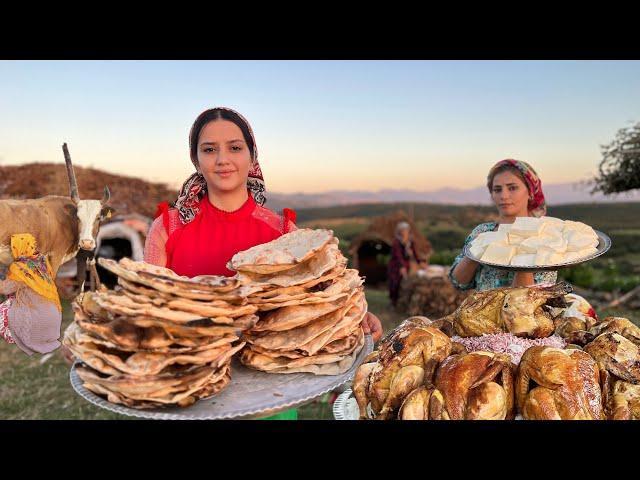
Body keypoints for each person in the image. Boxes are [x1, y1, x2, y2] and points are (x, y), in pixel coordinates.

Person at [144, 107, 383, 419]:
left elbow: (325, 294)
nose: (222, 159)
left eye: (235, 147)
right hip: (190, 392)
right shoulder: (168, 228)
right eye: (209, 149)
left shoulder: (283, 232)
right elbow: (145, 307)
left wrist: (354, 314)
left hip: (271, 393)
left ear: (252, 155)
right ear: (195, 159)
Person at [449, 159, 557, 292]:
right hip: (483, 312)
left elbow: (533, 296)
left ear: (530, 192)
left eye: (512, 188)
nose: (504, 196)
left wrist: (523, 254)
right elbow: (458, 282)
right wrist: (475, 251)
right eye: (497, 189)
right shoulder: (483, 231)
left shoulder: (544, 236)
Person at [0, 233, 62, 355]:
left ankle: (26, 336)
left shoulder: (19, 268)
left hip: (38, 320)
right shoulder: (42, 262)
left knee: (3, 312)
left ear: (19, 248)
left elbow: (3, 289)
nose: (10, 251)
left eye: (12, 248)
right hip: (54, 320)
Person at [387, 221, 427, 307]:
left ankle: (400, 301)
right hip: (396, 266)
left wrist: (420, 262)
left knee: (404, 283)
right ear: (399, 231)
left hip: (405, 265)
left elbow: (415, 253)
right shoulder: (396, 242)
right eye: (403, 230)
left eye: (406, 230)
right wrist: (401, 266)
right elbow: (398, 255)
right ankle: (393, 302)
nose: (405, 232)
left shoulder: (410, 242)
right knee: (395, 283)